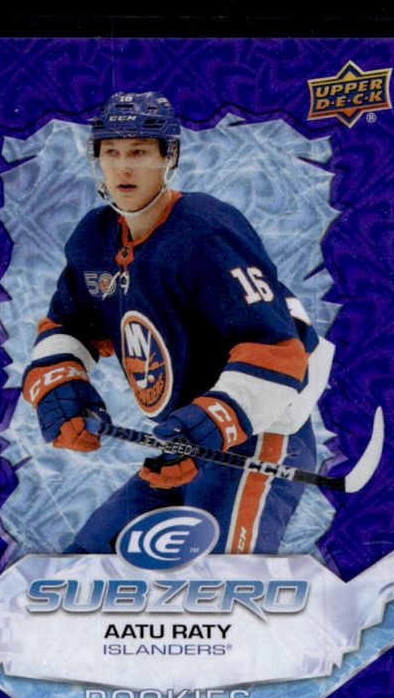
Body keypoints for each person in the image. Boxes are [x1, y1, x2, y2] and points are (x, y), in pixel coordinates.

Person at [22, 91, 334, 554]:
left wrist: (208, 423)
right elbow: (67, 325)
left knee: (223, 577)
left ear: (169, 156)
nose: (123, 168)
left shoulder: (206, 229)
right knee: (84, 563)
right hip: (183, 440)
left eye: (139, 153)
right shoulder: (94, 237)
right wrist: (60, 387)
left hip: (259, 436)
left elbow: (277, 349)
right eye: (112, 153)